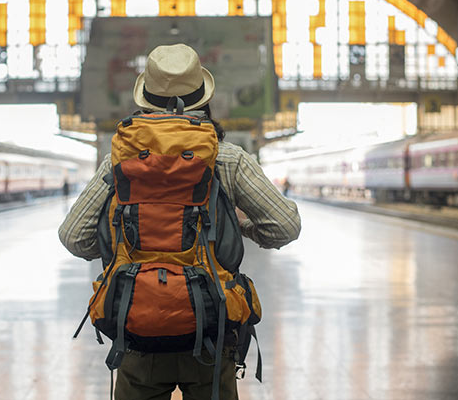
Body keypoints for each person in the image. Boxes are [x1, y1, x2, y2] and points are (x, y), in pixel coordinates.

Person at [58, 43, 301, 400]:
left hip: (136, 329)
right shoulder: (227, 159)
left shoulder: (117, 161)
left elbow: (73, 236)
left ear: (145, 99)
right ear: (203, 97)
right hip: (211, 327)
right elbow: (285, 226)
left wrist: (122, 240)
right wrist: (238, 226)